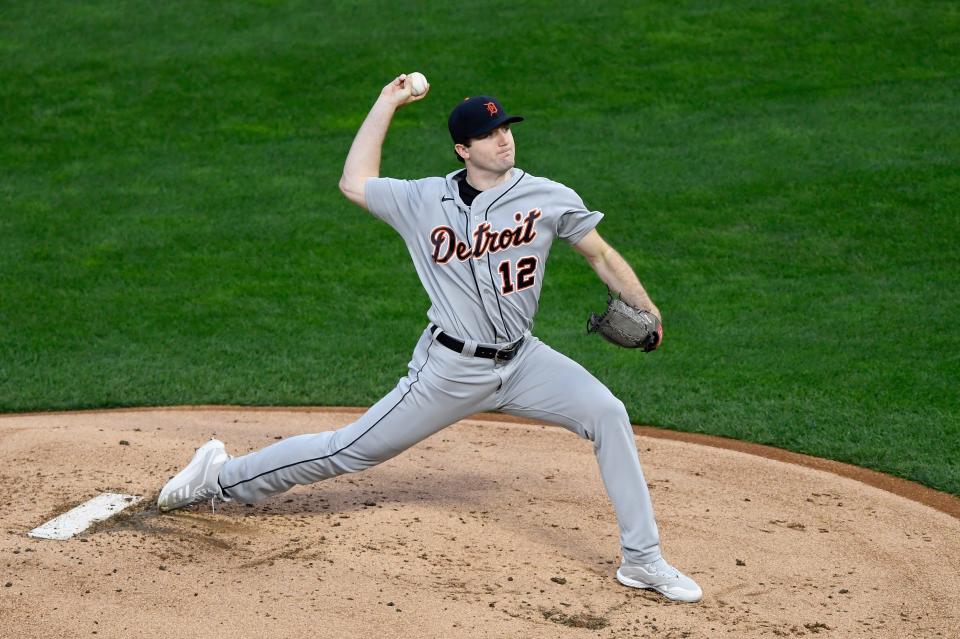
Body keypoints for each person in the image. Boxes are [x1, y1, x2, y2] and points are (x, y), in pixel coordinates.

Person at [158, 73, 702, 603]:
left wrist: (646, 308)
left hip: (524, 362)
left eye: (507, 128)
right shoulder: (422, 201)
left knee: (607, 413)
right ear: (463, 149)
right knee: (347, 451)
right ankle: (220, 478)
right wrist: (386, 103)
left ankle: (642, 559)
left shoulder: (547, 196)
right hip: (450, 370)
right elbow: (353, 182)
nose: (505, 138)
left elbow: (600, 254)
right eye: (490, 134)